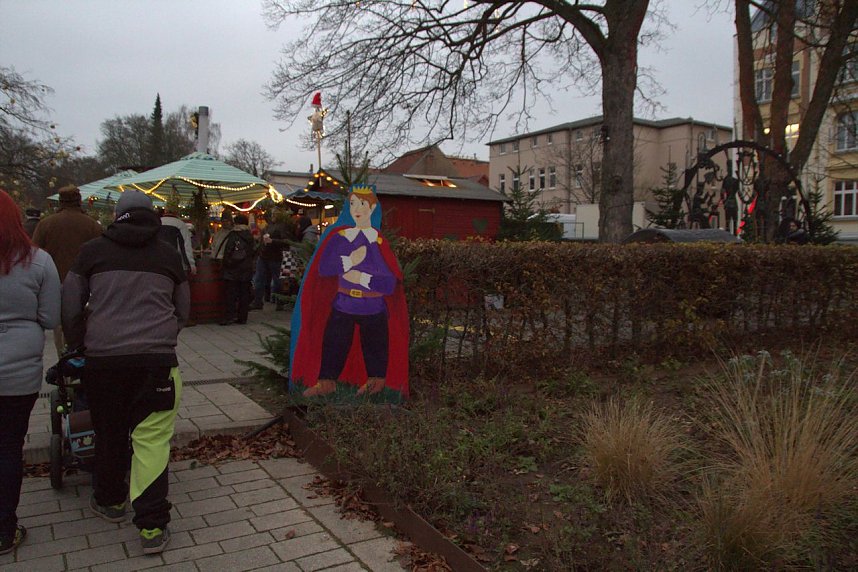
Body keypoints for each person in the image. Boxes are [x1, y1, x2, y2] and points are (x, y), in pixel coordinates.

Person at [62, 191, 189, 555]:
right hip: (156, 363)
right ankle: (152, 527)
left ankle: (111, 501)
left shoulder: (92, 251)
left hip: (104, 362)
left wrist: (79, 343)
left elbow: (70, 305)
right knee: (151, 440)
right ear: (153, 216)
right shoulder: (168, 255)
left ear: (116, 215)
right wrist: (163, 336)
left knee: (109, 431)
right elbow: (183, 309)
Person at [289, 184, 409, 402]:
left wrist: (363, 278)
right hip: (344, 303)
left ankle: (376, 384)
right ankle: (326, 383)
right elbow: (325, 267)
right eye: (352, 203)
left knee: (375, 346)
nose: (357, 209)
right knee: (334, 341)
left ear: (372, 208)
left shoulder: (378, 243)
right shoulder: (340, 237)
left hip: (373, 306)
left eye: (362, 204)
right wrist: (349, 261)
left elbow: (389, 283)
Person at [0, 190, 61, 555]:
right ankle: (4, 529)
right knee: (8, 446)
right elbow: (51, 317)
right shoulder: (38, 261)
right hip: (18, 368)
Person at [32, 186, 102, 353]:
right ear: (79, 200)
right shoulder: (92, 225)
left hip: (54, 285)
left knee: (60, 328)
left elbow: (34, 254)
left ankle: (63, 357)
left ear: (60, 201)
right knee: (83, 326)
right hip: (86, 287)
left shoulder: (46, 224)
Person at [219, 213, 255, 325]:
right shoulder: (250, 235)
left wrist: (226, 264)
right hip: (246, 268)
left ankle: (229, 316)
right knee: (244, 293)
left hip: (233, 269)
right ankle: (242, 317)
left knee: (231, 294)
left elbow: (228, 251)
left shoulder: (234, 235)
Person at [250, 211, 290, 311]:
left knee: (276, 280)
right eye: (272, 214)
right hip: (265, 255)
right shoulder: (268, 226)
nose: (273, 216)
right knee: (260, 279)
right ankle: (258, 301)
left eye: (275, 214)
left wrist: (272, 241)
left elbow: (286, 242)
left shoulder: (281, 227)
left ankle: (278, 301)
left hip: (274, 257)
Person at [158, 206, 196, 277]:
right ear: (176, 212)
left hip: (159, 263)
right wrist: (191, 265)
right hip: (177, 264)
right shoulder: (180, 224)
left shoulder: (158, 222)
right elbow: (186, 246)